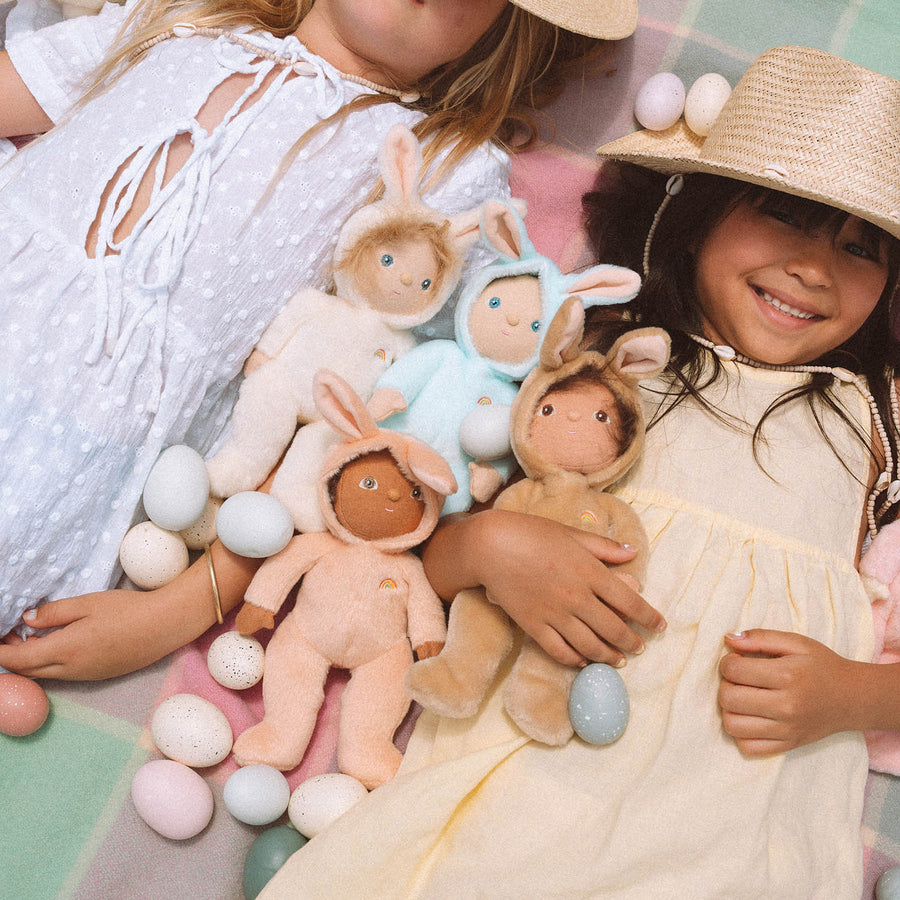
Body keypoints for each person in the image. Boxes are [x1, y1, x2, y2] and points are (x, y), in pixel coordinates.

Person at [247, 46, 900, 899]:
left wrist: (857, 697)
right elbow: (406, 569)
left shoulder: (877, 418)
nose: (816, 268)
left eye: (862, 248)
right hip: (529, 790)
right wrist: (489, 547)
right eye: (782, 216)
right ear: (699, 213)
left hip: (736, 829)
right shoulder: (591, 367)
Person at [0, 0, 638, 680]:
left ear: (503, 31)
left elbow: (348, 426)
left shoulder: (444, 168)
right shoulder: (181, 17)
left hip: (76, 434)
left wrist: (179, 610)